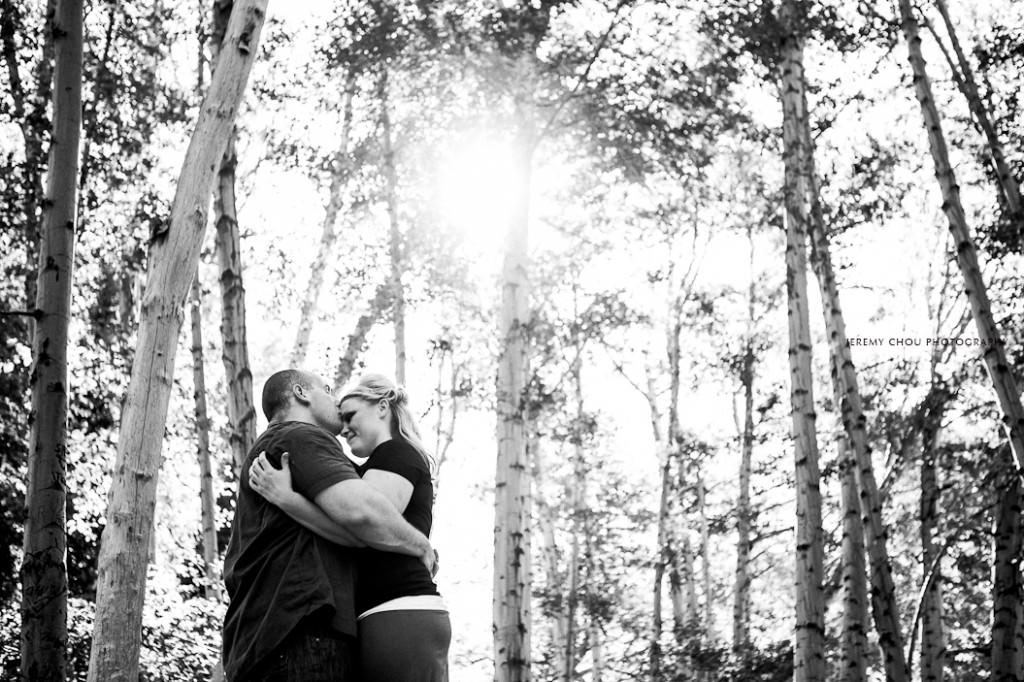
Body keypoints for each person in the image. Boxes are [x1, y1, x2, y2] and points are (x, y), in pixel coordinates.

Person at [222, 369, 435, 682]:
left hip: (269, 636)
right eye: (327, 389)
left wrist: (290, 500)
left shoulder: (283, 445)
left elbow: (359, 526)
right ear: (302, 393)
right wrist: (420, 545)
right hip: (300, 632)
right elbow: (363, 516)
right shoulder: (300, 437)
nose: (336, 405)